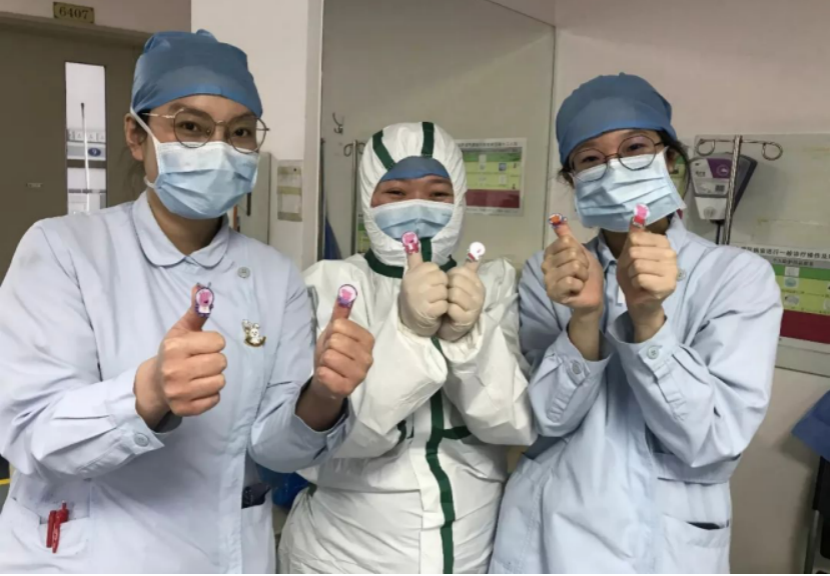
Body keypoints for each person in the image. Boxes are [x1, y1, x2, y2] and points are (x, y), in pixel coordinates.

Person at [0, 30, 375, 574]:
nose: (219, 148)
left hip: (225, 551)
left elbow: (276, 451)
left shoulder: (274, 277)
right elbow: (31, 433)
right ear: (137, 135)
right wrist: (147, 392)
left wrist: (323, 396)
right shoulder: (63, 251)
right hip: (94, 553)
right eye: (191, 127)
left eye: (240, 131)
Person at [490, 74, 783, 574]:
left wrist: (648, 318)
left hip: (662, 539)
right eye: (590, 158)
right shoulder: (550, 274)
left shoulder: (735, 276)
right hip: (548, 528)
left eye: (634, 148)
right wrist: (584, 317)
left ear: (669, 160)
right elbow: (545, 421)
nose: (615, 168)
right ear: (573, 180)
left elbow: (712, 441)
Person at [279, 122, 535, 574]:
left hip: (472, 543)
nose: (418, 206)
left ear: (459, 199)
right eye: (395, 193)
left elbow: (513, 424)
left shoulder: (493, 284)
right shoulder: (335, 287)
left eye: (438, 193)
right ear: (368, 199)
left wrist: (468, 341)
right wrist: (410, 333)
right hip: (345, 552)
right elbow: (338, 438)